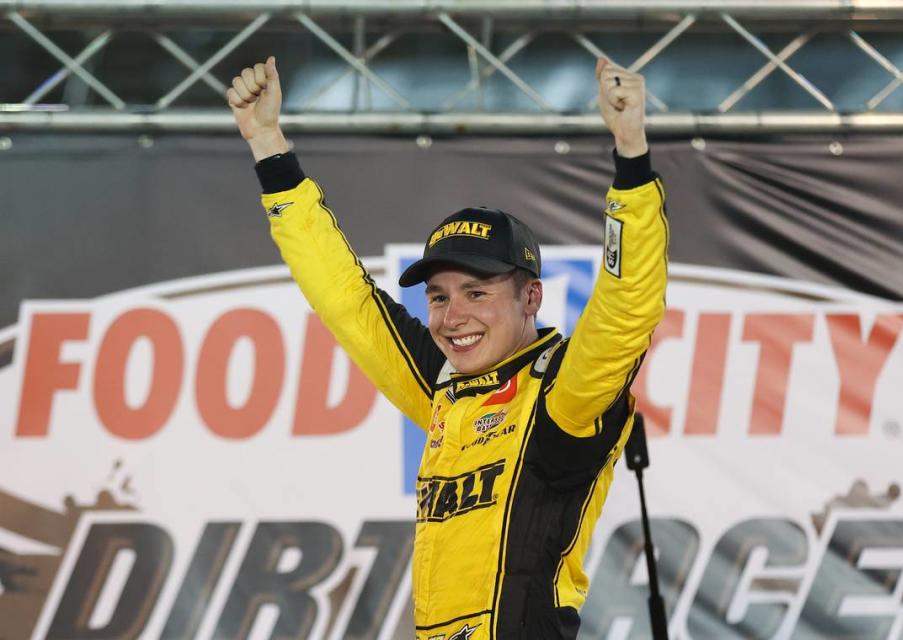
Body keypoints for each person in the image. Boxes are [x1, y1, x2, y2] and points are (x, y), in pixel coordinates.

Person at [228, 55, 668, 640]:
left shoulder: (564, 396)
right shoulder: (442, 389)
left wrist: (632, 163)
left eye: (477, 292)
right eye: (437, 297)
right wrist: (269, 148)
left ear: (530, 297)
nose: (452, 317)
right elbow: (346, 300)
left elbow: (626, 307)